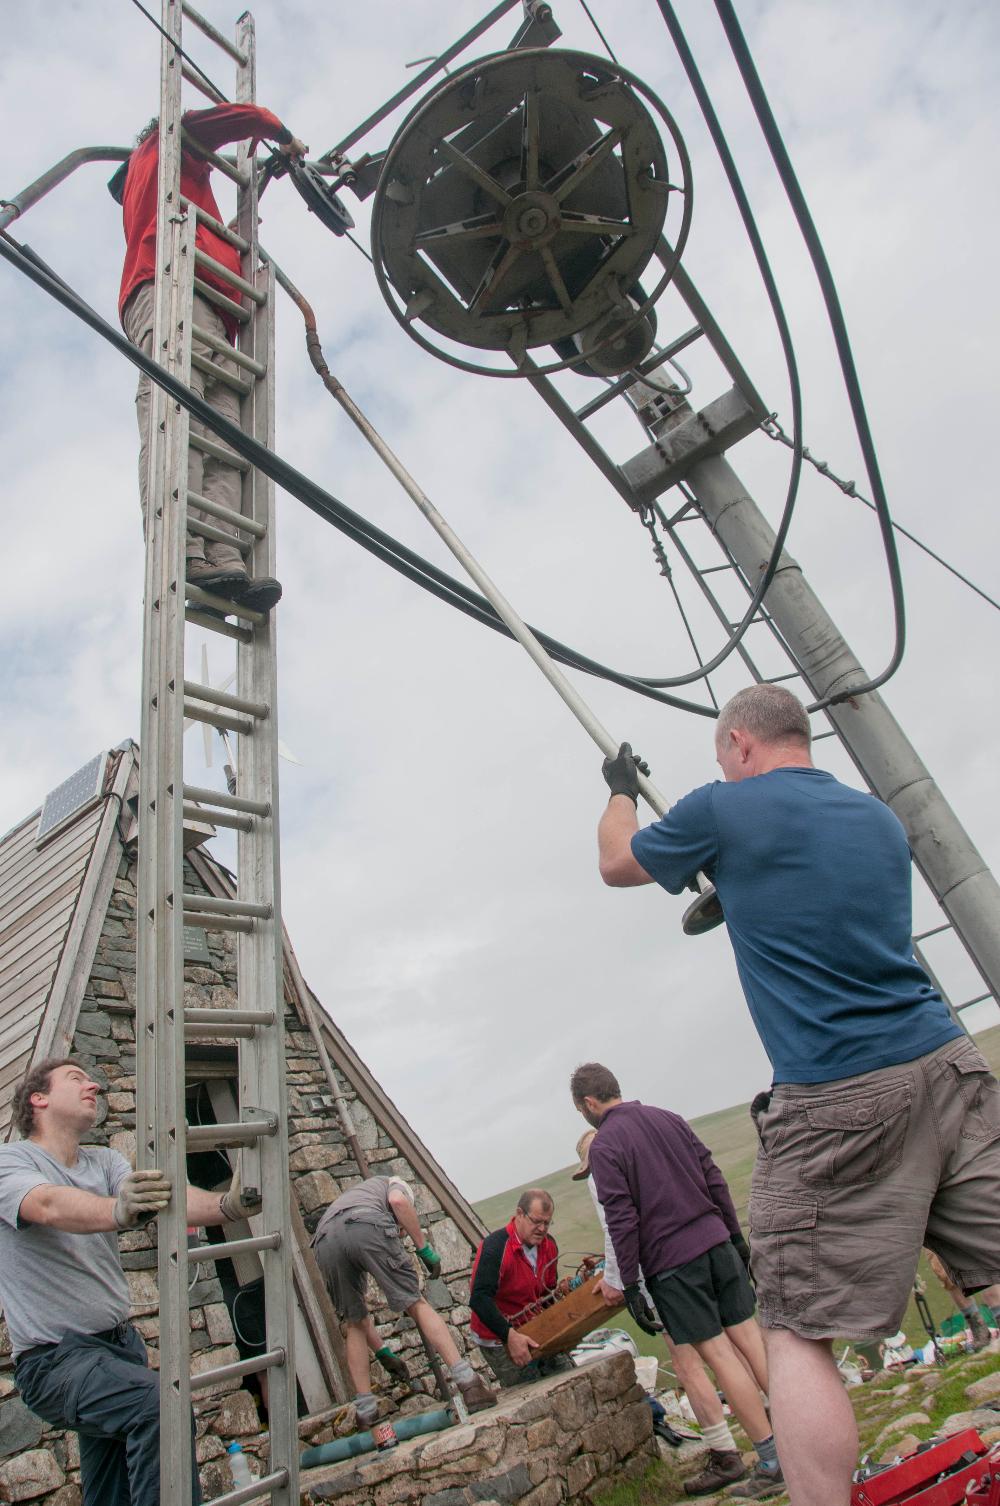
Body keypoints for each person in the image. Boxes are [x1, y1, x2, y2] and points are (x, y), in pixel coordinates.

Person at [596, 683, 1000, 1506]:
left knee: (791, 1330)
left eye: (723, 758)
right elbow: (811, 901)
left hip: (838, 1092)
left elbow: (615, 863)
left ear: (740, 744)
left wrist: (619, 790)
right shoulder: (877, 819)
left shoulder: (723, 809)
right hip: (949, 1065)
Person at [0, 1057, 257, 1506]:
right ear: (38, 1098)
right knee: (160, 1407)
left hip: (118, 1348)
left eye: (92, 1079)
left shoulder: (104, 1161)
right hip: (56, 1362)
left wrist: (227, 1207)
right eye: (76, 1079)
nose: (94, 1085)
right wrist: (117, 1210)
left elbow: (163, 1197)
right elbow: (48, 1206)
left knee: (110, 1492)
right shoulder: (11, 1162)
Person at [110, 105, 308, 614]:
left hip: (218, 314)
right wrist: (280, 134)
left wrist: (256, 190)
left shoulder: (191, 200)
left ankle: (222, 555)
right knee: (178, 417)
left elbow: (225, 244)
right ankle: (184, 552)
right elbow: (238, 117)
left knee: (225, 439)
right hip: (175, 290)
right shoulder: (164, 150)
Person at [571, 1063, 781, 1500]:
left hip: (673, 1264)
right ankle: (800, 1436)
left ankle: (772, 1460)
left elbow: (622, 1219)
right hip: (716, 1241)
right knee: (752, 1340)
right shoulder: (668, 1117)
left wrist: (629, 1284)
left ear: (589, 1103)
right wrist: (736, 1238)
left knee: (721, 1358)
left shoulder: (607, 1145)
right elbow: (714, 1177)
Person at [312, 1174, 496, 1423]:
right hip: (365, 1224)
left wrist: (383, 1352)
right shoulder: (395, 1183)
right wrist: (423, 1248)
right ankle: (469, 1383)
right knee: (415, 1302)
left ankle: (366, 1410)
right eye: (400, 1230)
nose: (399, 1234)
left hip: (324, 1240)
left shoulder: (357, 1196)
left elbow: (360, 1321)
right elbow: (398, 1202)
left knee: (353, 1321)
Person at [469, 1189, 574, 1388]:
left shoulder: (549, 1245)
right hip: (498, 1336)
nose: (542, 1229)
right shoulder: (496, 1247)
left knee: (568, 1378)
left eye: (547, 1222)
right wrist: (509, 1336)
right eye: (536, 1221)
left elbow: (548, 1292)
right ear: (519, 1214)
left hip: (533, 1324)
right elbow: (479, 1299)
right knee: (529, 1389)